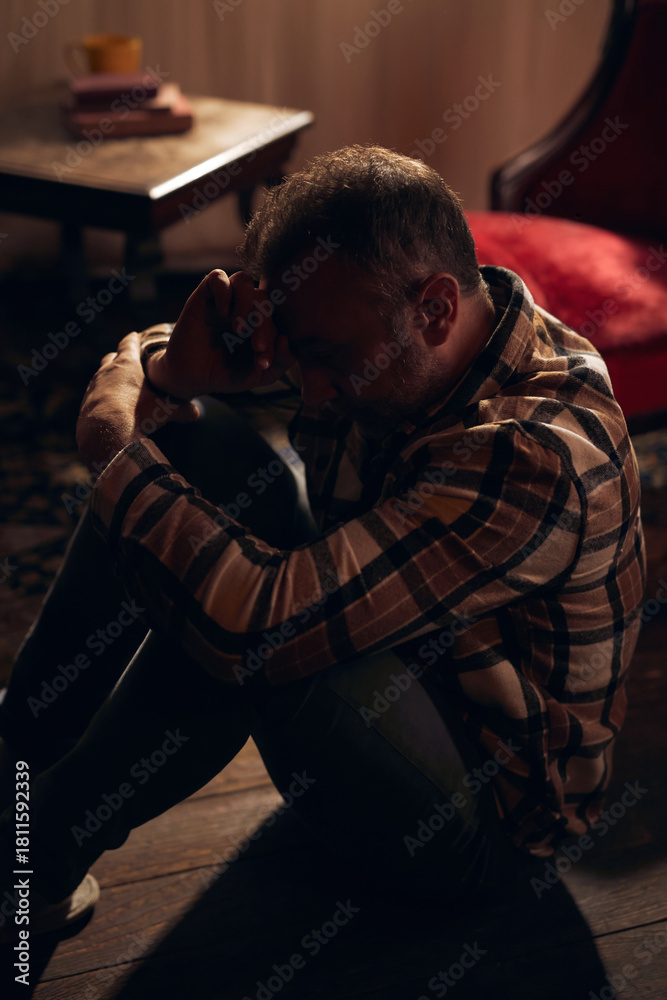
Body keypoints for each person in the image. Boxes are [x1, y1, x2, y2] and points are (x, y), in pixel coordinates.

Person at [0, 145, 645, 940]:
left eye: (326, 359)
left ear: (435, 309)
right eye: (297, 350)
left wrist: (113, 450)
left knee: (245, 625)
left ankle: (27, 866)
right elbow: (233, 367)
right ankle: (18, 755)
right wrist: (173, 375)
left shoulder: (534, 458)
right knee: (191, 444)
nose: (307, 388)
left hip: (479, 825)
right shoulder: (398, 328)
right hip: (390, 676)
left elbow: (255, 626)